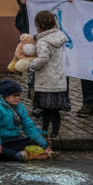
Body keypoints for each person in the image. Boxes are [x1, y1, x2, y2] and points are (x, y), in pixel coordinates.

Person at [0, 79, 50, 161]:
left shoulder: (20, 107)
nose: (17, 98)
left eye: (18, 96)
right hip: (2, 140)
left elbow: (28, 126)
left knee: (32, 143)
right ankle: (16, 155)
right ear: (6, 95)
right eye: (14, 96)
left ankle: (21, 154)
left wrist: (42, 143)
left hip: (15, 139)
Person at [28, 10, 70, 138]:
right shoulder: (59, 36)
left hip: (46, 81)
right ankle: (55, 132)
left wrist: (31, 64)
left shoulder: (43, 41)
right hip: (58, 80)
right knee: (55, 110)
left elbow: (43, 58)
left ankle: (45, 131)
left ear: (39, 25)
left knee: (46, 109)